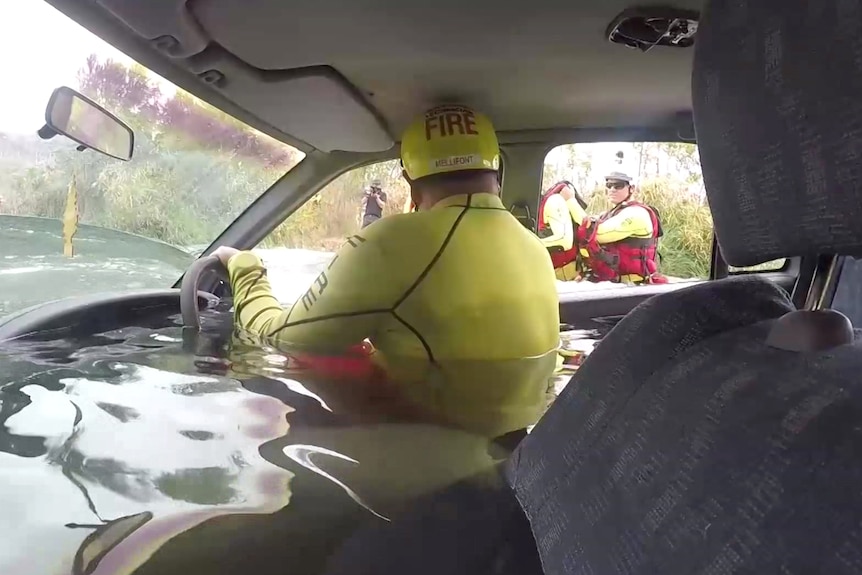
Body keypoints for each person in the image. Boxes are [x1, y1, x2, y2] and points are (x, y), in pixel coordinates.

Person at [212, 104, 561, 441]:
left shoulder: (395, 241)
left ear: (410, 182)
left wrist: (243, 266)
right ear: (497, 174)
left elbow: (281, 336)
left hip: (432, 457)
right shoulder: (535, 249)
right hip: (514, 452)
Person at [566, 171, 666, 285]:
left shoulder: (637, 214)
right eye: (609, 185)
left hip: (634, 285)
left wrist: (570, 201)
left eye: (618, 185)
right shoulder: (609, 214)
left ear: (631, 188)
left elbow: (597, 234)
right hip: (614, 282)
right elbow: (588, 223)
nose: (612, 189)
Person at [536, 180, 585, 281]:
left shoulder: (554, 201)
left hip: (565, 274)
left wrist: (527, 244)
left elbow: (564, 241)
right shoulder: (539, 203)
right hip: (553, 271)